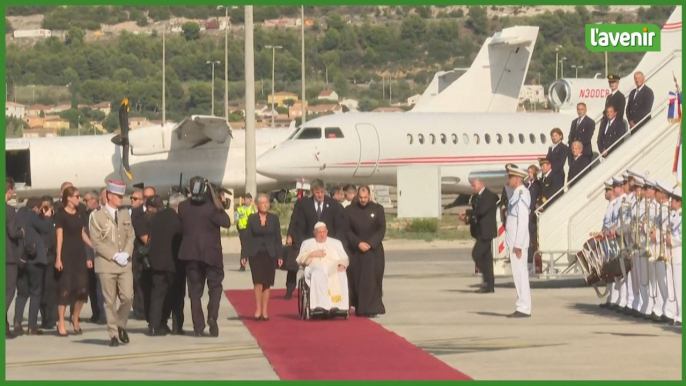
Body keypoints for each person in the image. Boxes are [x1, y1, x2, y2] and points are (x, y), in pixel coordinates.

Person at [178, 177, 231, 337]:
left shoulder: (183, 207)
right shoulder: (212, 208)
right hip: (212, 254)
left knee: (194, 293)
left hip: (190, 254)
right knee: (215, 287)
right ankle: (212, 316)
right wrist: (219, 203)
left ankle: (198, 327)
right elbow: (227, 222)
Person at [89, 180, 136, 347]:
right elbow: (96, 242)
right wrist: (114, 255)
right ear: (109, 196)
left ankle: (120, 324)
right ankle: (113, 335)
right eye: (118, 196)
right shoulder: (96, 216)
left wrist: (126, 253)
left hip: (124, 264)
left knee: (128, 297)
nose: (121, 199)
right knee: (109, 301)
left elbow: (131, 235)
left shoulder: (125, 214)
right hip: (106, 264)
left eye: (122, 196)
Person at [285, 179, 344, 300]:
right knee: (293, 263)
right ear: (312, 192)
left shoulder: (332, 204)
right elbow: (294, 219)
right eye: (317, 192)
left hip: (326, 240)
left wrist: (336, 241)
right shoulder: (303, 204)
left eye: (322, 192)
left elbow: (338, 223)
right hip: (306, 239)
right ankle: (290, 288)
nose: (320, 195)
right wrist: (290, 235)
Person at [13, 197, 53, 335]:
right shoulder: (32, 215)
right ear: (36, 207)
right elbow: (47, 228)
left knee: (22, 293)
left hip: (21, 259)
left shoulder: (18, 214)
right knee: (36, 293)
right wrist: (47, 217)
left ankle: (17, 321)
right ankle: (32, 326)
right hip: (35, 259)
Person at [345, 185, 386, 317]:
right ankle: (360, 307)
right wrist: (358, 243)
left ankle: (373, 308)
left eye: (365, 197)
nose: (363, 200)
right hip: (357, 250)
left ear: (369, 196)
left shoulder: (378, 209)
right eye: (361, 198)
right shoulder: (350, 210)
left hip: (374, 250)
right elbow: (347, 230)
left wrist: (370, 243)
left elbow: (381, 229)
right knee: (358, 279)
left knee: (374, 279)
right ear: (357, 196)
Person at [147, 194, 185, 336]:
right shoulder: (179, 219)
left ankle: (154, 326)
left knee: (157, 295)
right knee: (177, 295)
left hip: (156, 262)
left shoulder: (157, 216)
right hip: (174, 263)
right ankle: (177, 326)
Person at [240, 194, 283, 321]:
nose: (265, 204)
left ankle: (265, 311)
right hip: (256, 253)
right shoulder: (252, 219)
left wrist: (280, 255)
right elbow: (247, 238)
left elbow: (278, 238)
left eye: (267, 202)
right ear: (257, 205)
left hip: (270, 253)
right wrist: (244, 255)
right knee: (258, 282)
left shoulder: (274, 218)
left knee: (267, 283)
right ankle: (258, 309)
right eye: (263, 202)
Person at [296, 222, 349, 317]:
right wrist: (312, 254)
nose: (322, 234)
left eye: (324, 232)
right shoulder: (307, 243)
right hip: (314, 268)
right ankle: (319, 306)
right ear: (314, 233)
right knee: (319, 273)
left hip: (332, 268)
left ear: (327, 231)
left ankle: (339, 307)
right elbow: (300, 259)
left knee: (341, 274)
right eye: (319, 232)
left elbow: (344, 258)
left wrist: (342, 265)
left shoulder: (336, 243)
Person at [459, 177, 497, 293]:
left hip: (487, 232)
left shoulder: (489, 195)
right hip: (480, 232)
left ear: (481, 184)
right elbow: (477, 215)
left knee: (476, 254)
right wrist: (467, 220)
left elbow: (482, 211)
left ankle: (487, 280)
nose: (472, 187)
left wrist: (467, 212)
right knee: (486, 259)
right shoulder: (477, 197)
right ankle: (489, 285)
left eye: (474, 184)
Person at [503, 165, 531, 318]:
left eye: (511, 177)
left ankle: (524, 307)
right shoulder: (516, 193)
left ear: (518, 179)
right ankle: (522, 305)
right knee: (518, 274)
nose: (509, 180)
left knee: (520, 274)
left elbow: (523, 220)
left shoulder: (522, 194)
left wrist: (518, 244)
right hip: (514, 242)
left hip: (517, 243)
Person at [5, 178, 24, 339]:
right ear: (9, 191)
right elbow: (12, 233)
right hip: (7, 257)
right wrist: (21, 232)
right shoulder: (9, 211)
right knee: (8, 292)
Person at [83, 190, 104, 324]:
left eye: (86, 200)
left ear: (94, 201)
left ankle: (102, 314)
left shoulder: (99, 215)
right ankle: (96, 313)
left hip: (99, 255)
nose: (84, 203)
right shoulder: (86, 215)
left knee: (100, 287)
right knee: (92, 287)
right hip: (91, 256)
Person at [599, 178, 619, 309]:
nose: (605, 193)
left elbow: (616, 222)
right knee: (609, 269)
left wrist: (610, 230)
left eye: (607, 190)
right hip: (607, 239)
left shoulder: (617, 204)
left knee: (615, 269)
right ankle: (611, 297)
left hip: (613, 240)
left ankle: (615, 298)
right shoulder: (610, 204)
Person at [39, 196, 58, 330]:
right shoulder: (38, 221)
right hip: (40, 259)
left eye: (47, 207)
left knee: (51, 289)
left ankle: (51, 319)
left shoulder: (55, 221)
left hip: (52, 258)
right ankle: (45, 318)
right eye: (42, 207)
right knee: (40, 290)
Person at [667, 187, 682, 327]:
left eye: (673, 200)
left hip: (680, 256)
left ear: (679, 202)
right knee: (675, 287)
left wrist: (672, 240)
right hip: (673, 256)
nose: (671, 202)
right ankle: (677, 314)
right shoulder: (674, 215)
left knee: (680, 286)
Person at [526, 165, 541, 267]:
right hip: (526, 213)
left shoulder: (537, 184)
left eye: (531, 172)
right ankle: (528, 256)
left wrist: (531, 209)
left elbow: (534, 198)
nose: (529, 174)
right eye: (528, 172)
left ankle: (532, 257)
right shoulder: (527, 184)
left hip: (532, 213)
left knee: (532, 237)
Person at [235, 193, 256, 272]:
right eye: (246, 199)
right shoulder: (239, 209)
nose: (248, 201)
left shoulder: (252, 209)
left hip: (251, 231)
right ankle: (242, 266)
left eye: (249, 199)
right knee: (244, 248)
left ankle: (254, 265)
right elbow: (237, 219)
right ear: (244, 200)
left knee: (251, 248)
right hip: (243, 231)